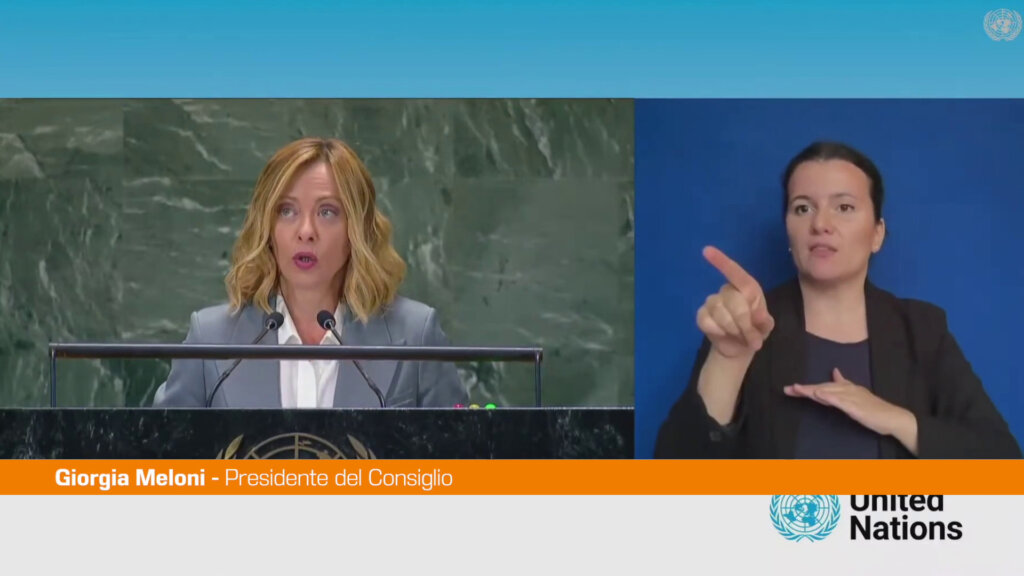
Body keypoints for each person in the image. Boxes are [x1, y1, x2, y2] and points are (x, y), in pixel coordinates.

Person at [655, 141, 1020, 459]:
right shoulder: (746, 322)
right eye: (803, 208)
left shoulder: (922, 329)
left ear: (877, 234)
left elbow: (1003, 459)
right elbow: (675, 480)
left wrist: (895, 419)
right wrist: (728, 361)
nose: (820, 224)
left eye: (844, 207)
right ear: (788, 231)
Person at [153, 138, 468, 408]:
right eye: (287, 211)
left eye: (327, 212)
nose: (306, 231)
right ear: (268, 228)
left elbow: (463, 452)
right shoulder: (211, 339)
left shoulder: (415, 335)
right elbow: (160, 450)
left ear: (356, 231)